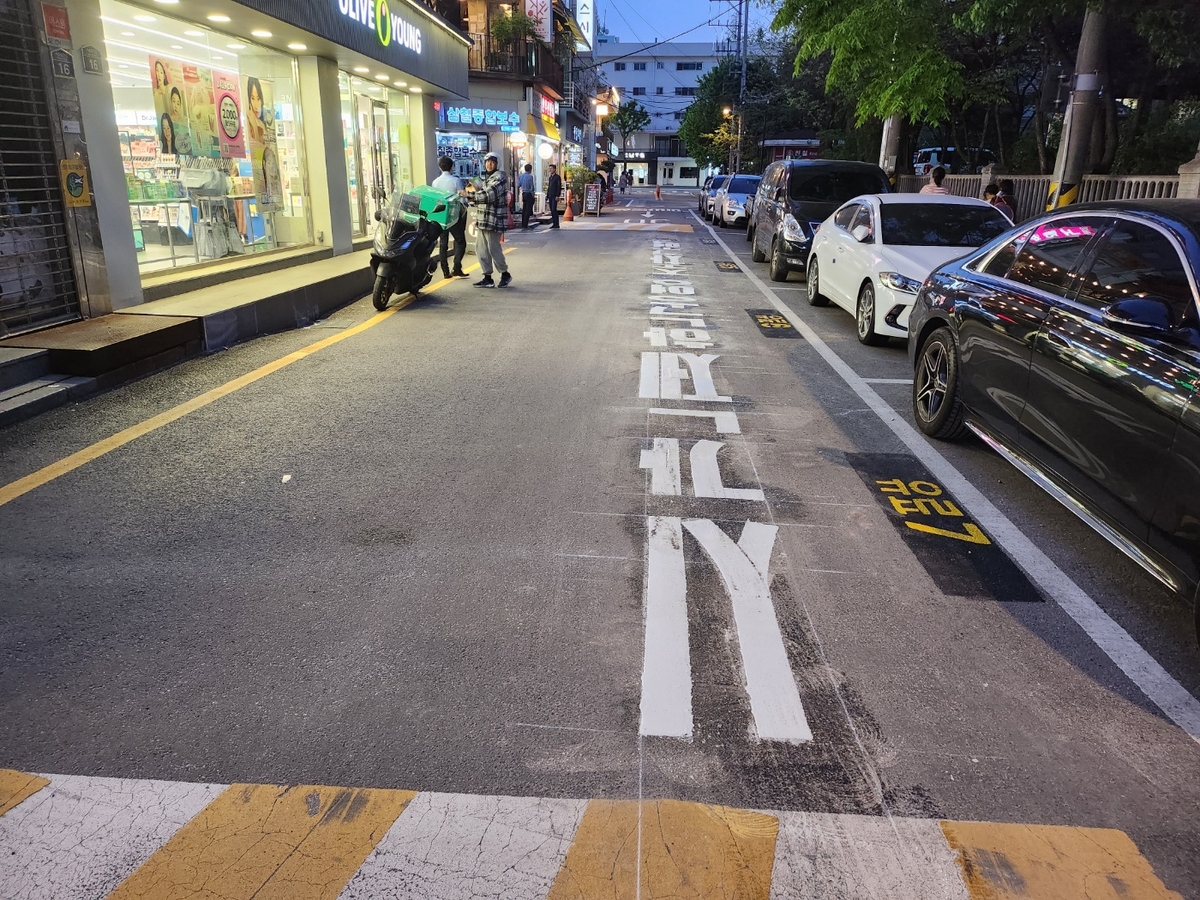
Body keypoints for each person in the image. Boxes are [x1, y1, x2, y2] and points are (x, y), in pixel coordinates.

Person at [462, 152, 511, 288]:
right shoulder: (488, 178)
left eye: (492, 162)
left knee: (493, 248)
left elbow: (489, 195)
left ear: (497, 164)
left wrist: (469, 195)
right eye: (487, 162)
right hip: (484, 219)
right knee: (481, 248)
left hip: (493, 220)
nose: (489, 164)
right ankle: (487, 277)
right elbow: (484, 195)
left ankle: (505, 274)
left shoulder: (499, 178)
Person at [432, 155, 468, 278]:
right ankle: (456, 266)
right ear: (452, 167)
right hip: (453, 215)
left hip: (441, 215)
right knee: (460, 241)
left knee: (443, 243)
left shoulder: (435, 182)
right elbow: (462, 197)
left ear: (439, 167)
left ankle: (445, 271)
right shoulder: (455, 180)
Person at [245, 76, 267, 144]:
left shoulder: (261, 124)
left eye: (258, 99)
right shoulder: (247, 121)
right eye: (252, 98)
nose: (256, 105)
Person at [517, 163, 536, 229]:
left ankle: (523, 224)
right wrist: (533, 194)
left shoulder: (521, 176)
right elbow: (531, 187)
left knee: (524, 209)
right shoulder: (530, 176)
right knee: (528, 209)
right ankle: (525, 224)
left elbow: (518, 185)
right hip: (529, 194)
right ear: (530, 169)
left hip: (524, 193)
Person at [546, 163, 562, 229]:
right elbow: (549, 187)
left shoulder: (557, 177)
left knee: (554, 209)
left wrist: (558, 195)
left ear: (554, 169)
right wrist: (547, 195)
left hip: (555, 195)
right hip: (550, 195)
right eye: (549, 168)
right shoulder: (550, 178)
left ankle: (557, 224)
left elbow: (559, 187)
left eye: (551, 168)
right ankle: (554, 223)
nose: (550, 170)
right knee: (551, 210)